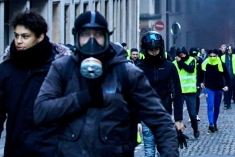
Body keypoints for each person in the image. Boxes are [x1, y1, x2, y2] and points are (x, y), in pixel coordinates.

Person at [34, 11, 178, 156]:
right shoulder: (62, 68)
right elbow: (41, 111)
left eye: (98, 35)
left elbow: (161, 121)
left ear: (107, 37)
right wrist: (82, 98)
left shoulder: (128, 74)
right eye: (85, 35)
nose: (92, 42)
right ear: (76, 37)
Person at [0, 11, 71, 157]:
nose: (19, 41)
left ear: (40, 37)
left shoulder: (60, 69)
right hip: (16, 150)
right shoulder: (5, 71)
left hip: (52, 151)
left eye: (25, 36)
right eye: (16, 35)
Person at [136, 31, 185, 156]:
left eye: (156, 48)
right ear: (145, 49)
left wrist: (178, 119)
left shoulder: (169, 67)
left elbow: (177, 93)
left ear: (160, 48)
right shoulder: (139, 67)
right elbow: (134, 95)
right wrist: (136, 120)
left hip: (165, 115)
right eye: (150, 49)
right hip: (145, 116)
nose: (153, 51)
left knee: (164, 150)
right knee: (149, 151)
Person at [201, 49, 230, 133]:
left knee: (216, 107)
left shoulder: (221, 64)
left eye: (214, 56)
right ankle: (211, 123)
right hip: (208, 88)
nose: (212, 57)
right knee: (210, 105)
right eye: (211, 56)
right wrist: (200, 82)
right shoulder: (205, 63)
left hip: (218, 89)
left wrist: (226, 86)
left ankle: (214, 123)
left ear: (217, 55)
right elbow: (200, 73)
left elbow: (227, 76)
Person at [174, 46, 200, 138]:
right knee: (178, 115)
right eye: (181, 55)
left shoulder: (192, 60)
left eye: (184, 54)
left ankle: (195, 129)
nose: (183, 56)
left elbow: (190, 69)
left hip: (190, 92)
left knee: (193, 114)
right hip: (179, 93)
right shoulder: (174, 64)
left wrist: (180, 62)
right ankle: (179, 132)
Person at [190, 47, 203, 121]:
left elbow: (203, 71)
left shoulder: (200, 60)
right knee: (190, 99)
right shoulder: (188, 60)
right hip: (189, 82)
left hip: (197, 81)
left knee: (197, 98)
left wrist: (201, 81)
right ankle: (191, 114)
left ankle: (196, 114)